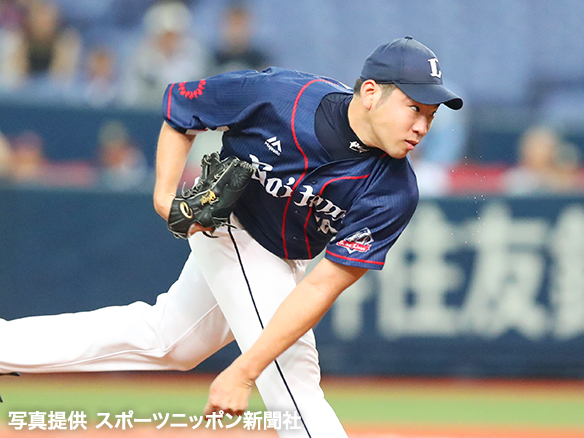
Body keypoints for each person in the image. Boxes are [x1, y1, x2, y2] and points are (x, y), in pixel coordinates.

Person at [0, 36, 462, 436]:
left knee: (170, 341)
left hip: (285, 256)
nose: (422, 126)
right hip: (227, 226)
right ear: (370, 93)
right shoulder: (283, 96)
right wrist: (164, 198)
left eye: (431, 115)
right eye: (414, 108)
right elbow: (183, 109)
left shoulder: (394, 191)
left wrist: (243, 369)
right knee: (292, 382)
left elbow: (322, 285)